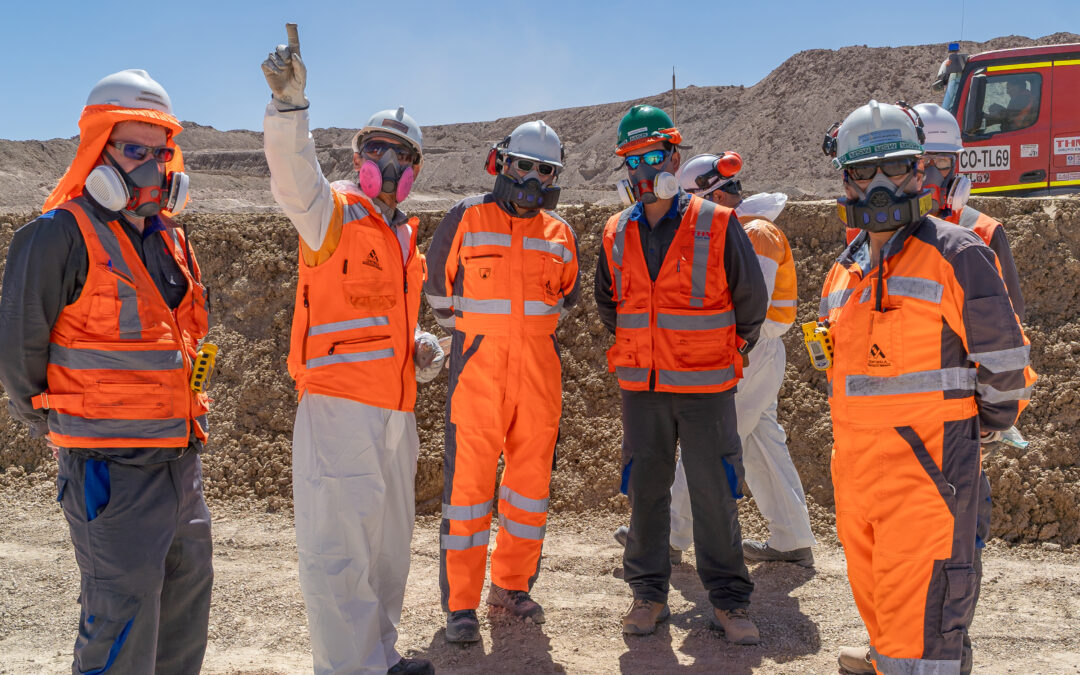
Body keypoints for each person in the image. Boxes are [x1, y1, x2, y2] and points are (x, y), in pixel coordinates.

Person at [0, 69, 213, 674]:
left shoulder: (172, 241)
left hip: (179, 462)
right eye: (134, 151)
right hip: (109, 469)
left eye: (160, 153)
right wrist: (65, 426)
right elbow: (19, 353)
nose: (152, 167)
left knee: (184, 609)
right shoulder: (57, 235)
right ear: (99, 152)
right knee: (120, 621)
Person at [820, 100, 1036, 675]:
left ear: (920, 169)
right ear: (845, 179)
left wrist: (980, 430)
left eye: (894, 166)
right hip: (858, 477)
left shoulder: (957, 253)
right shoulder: (844, 269)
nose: (880, 183)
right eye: (864, 170)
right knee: (883, 610)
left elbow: (1005, 364)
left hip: (928, 475)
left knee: (927, 626)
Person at [261, 24, 442, 675]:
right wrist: (289, 108)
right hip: (339, 411)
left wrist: (417, 344)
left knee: (388, 548)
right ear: (360, 154)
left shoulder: (404, 238)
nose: (388, 164)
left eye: (401, 155)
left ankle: (379, 656)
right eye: (377, 149)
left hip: (395, 413)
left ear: (414, 170)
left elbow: (379, 320)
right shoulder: (331, 212)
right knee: (340, 552)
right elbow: (294, 179)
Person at [595, 105, 768, 643]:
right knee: (646, 492)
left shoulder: (717, 222)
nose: (643, 169)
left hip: (705, 388)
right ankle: (647, 596)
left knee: (714, 492)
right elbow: (608, 304)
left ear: (673, 157)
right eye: (632, 160)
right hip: (642, 389)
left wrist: (720, 350)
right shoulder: (615, 230)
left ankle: (730, 602)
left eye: (652, 156)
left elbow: (750, 302)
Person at [613, 151, 817, 568]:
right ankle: (792, 537)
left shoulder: (754, 233)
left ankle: (668, 536)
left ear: (715, 196)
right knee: (762, 443)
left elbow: (749, 306)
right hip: (754, 353)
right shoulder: (743, 229)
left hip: (746, 350)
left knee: (703, 442)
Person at [424, 120, 580, 644]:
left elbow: (567, 296)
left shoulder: (560, 233)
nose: (533, 178)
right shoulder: (467, 217)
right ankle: (461, 604)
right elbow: (439, 292)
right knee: (467, 492)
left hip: (539, 377)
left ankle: (511, 586)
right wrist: (477, 337)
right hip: (478, 374)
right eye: (524, 165)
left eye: (545, 170)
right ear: (502, 163)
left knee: (529, 490)